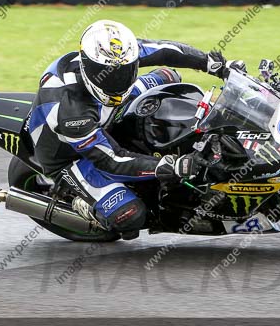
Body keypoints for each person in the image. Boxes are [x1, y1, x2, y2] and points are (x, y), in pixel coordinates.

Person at [27, 19, 244, 239]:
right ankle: (83, 205)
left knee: (169, 75)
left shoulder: (117, 54)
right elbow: (110, 159)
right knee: (131, 216)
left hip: (105, 110)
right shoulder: (70, 112)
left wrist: (213, 64)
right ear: (87, 65)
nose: (118, 79)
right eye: (110, 74)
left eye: (124, 71)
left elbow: (166, 51)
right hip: (71, 157)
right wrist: (170, 166)